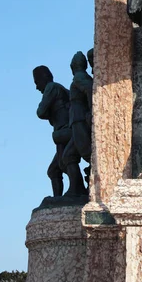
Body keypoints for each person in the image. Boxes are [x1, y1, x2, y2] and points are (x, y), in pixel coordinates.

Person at [33, 66, 72, 196]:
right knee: (56, 169)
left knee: (62, 165)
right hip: (64, 132)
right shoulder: (59, 88)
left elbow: (41, 111)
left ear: (44, 78)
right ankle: (61, 197)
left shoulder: (51, 87)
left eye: (37, 82)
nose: (37, 87)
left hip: (64, 132)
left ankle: (75, 189)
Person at [62, 52, 93, 194]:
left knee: (88, 153)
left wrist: (92, 110)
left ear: (72, 66)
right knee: (68, 155)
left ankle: (88, 185)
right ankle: (76, 188)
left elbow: (89, 89)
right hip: (75, 120)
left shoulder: (79, 77)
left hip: (79, 120)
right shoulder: (80, 77)